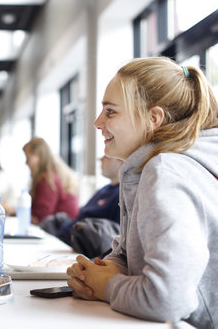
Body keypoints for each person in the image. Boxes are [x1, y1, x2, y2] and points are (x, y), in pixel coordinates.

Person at [67, 57, 218, 328]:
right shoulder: (149, 166)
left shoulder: (165, 171)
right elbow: (130, 253)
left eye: (110, 112)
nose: (97, 122)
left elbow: (169, 300)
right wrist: (97, 273)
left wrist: (108, 286)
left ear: (153, 118)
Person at [41, 155, 122, 258]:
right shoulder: (104, 190)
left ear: (122, 161)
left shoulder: (121, 194)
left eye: (107, 157)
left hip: (83, 246)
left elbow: (115, 233)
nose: (100, 159)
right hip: (68, 237)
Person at [23, 137, 79, 224]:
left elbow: (40, 218)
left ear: (39, 156)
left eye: (28, 158)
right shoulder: (56, 176)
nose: (26, 163)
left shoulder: (48, 180)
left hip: (59, 232)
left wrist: (15, 212)